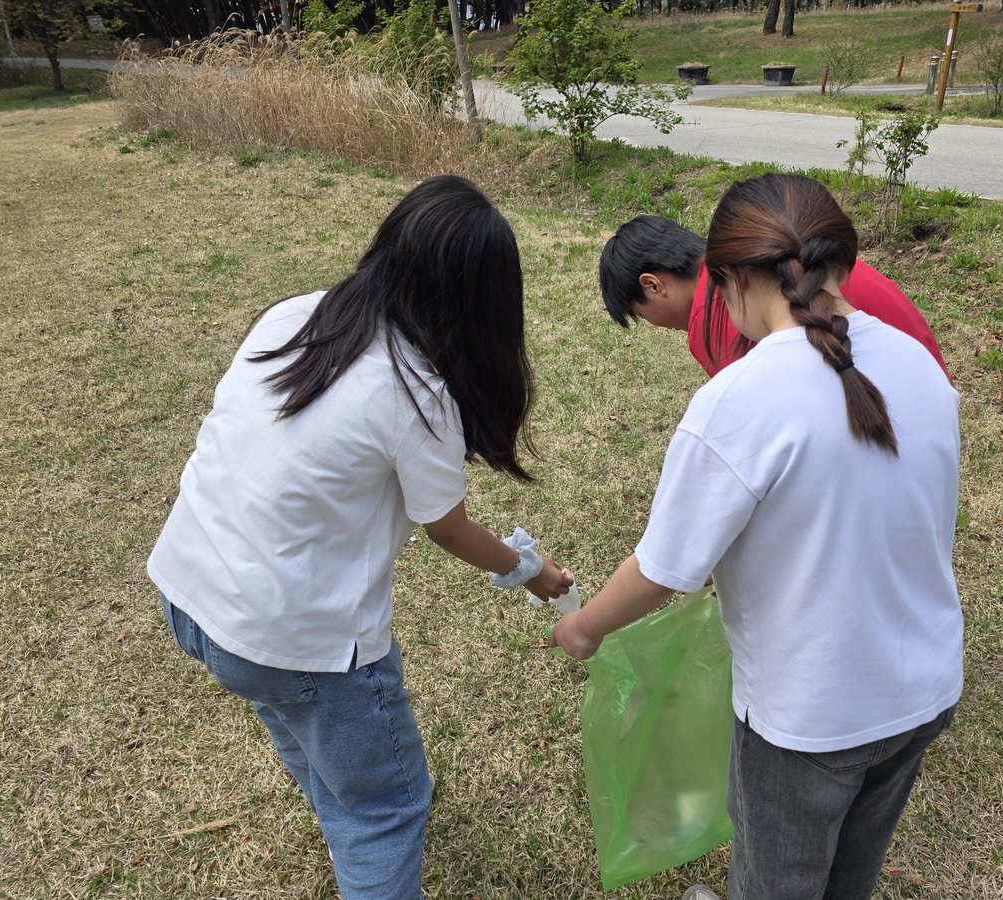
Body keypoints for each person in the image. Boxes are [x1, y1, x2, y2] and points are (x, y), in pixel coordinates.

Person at [148, 175, 573, 898]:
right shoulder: (416, 394)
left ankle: (340, 802)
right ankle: (359, 830)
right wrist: (531, 570)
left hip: (191, 596)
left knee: (304, 730)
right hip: (294, 639)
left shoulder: (295, 314)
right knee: (385, 809)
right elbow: (449, 528)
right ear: (479, 301)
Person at [554, 174, 962, 900]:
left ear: (731, 279)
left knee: (777, 881)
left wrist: (584, 628)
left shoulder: (738, 400)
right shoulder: (920, 366)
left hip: (814, 714)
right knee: (851, 874)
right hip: (925, 692)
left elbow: (663, 568)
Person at [598, 214, 949, 379]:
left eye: (641, 314)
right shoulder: (761, 251)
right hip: (926, 389)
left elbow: (755, 424)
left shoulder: (714, 309)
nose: (656, 326)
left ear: (653, 285)